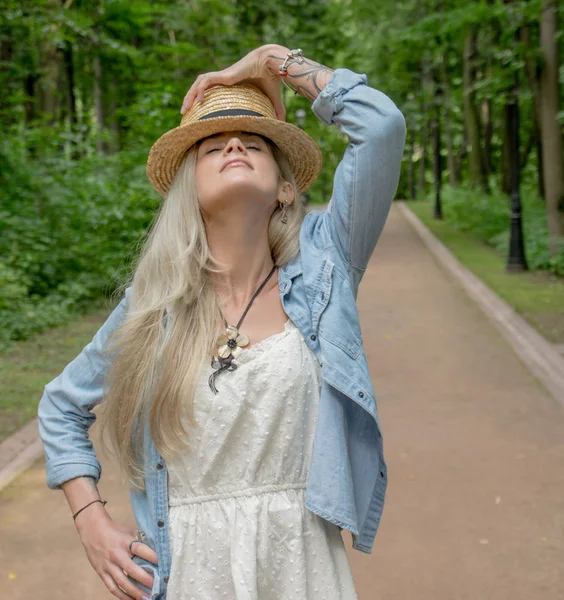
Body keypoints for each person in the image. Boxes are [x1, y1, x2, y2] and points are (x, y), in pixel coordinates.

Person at [37, 44, 406, 600]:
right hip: (188, 574)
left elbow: (380, 126)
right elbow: (60, 406)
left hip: (301, 568)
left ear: (286, 188)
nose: (233, 143)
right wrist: (91, 522)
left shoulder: (323, 265)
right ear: (192, 190)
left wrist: (274, 60)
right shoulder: (154, 305)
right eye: (212, 146)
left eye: (254, 142)